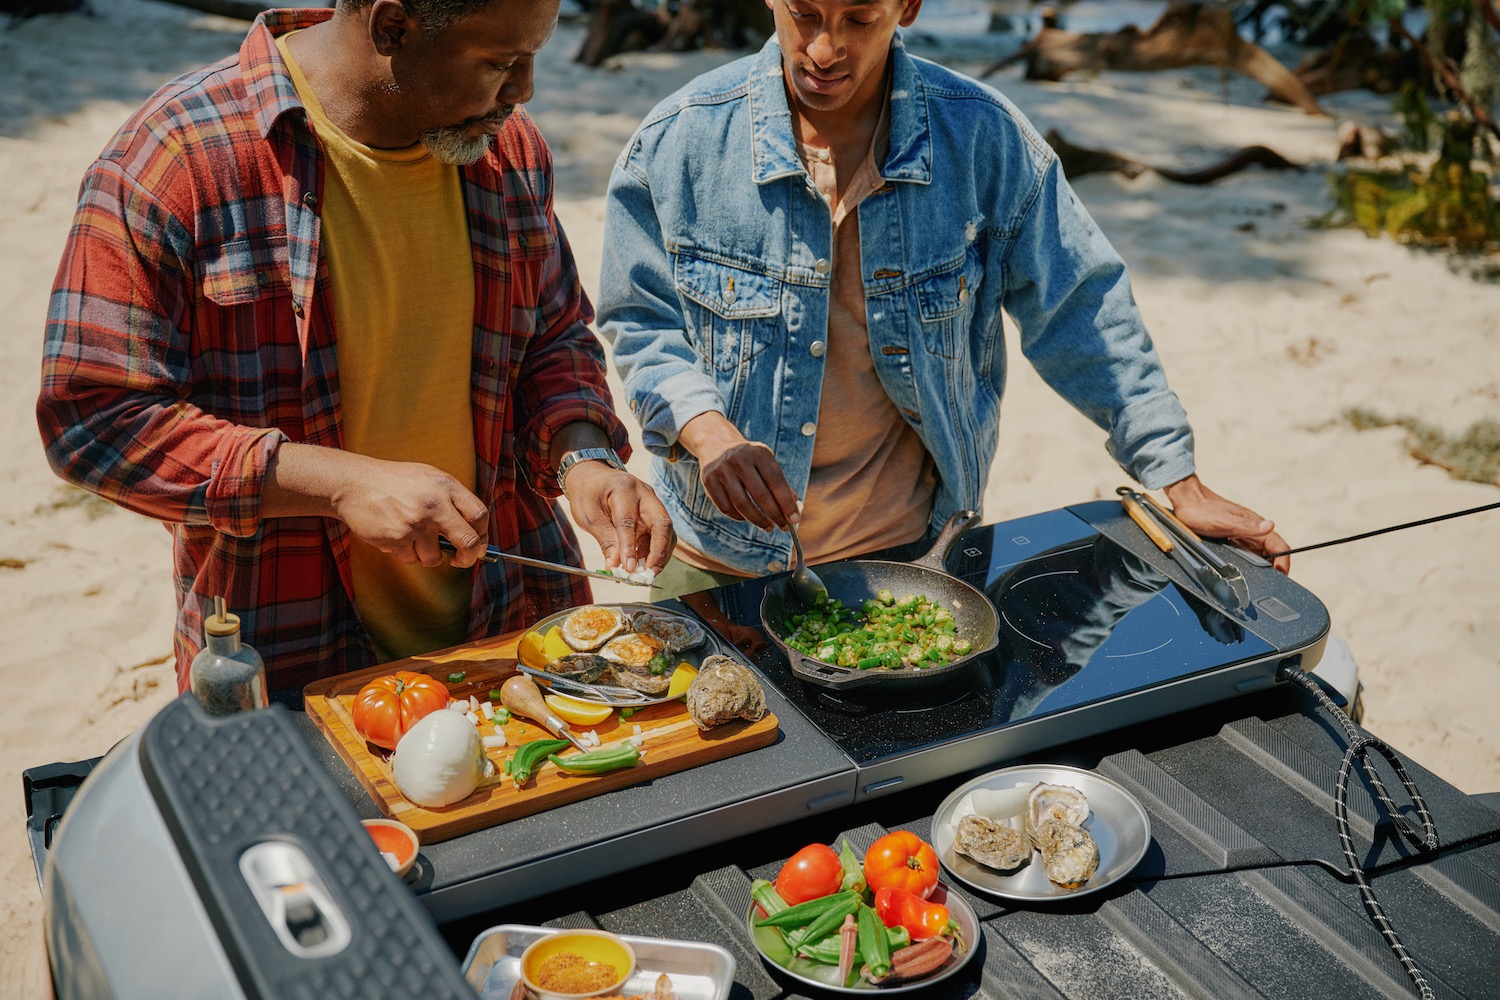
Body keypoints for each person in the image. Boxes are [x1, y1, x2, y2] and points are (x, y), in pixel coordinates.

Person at [36, 0, 675, 694]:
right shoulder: (176, 160)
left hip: (519, 624)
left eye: (534, 55)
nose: (524, 90)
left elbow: (553, 341)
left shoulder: (509, 149)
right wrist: (342, 484)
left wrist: (582, 457)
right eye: (500, 62)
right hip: (289, 654)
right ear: (392, 26)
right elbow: (92, 420)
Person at [596, 0, 1289, 597]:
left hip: (914, 559)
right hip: (716, 566)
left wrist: (1177, 477)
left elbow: (1082, 306)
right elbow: (640, 322)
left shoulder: (984, 139)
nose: (824, 48)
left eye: (858, 18)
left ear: (910, 7)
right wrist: (707, 432)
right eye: (804, 14)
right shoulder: (677, 141)